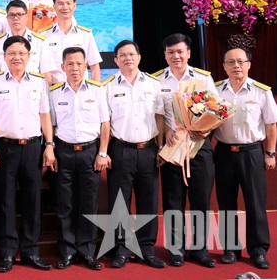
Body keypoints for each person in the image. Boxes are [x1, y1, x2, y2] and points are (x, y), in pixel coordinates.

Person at [0, 35, 55, 272]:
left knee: (33, 201)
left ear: (29, 56)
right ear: (4, 57)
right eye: (11, 53)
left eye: (22, 53)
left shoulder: (39, 82)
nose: (17, 57)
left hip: (33, 147)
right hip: (4, 148)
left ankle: (31, 251)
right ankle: (8, 253)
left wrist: (49, 145)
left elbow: (45, 116)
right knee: (6, 202)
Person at [154, 33, 218, 267]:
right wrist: (165, 136)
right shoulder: (157, 80)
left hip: (199, 146)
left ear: (188, 53)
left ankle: (200, 249)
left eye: (180, 51)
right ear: (165, 55)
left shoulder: (203, 78)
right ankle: (176, 249)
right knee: (173, 200)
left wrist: (206, 129)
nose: (176, 56)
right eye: (171, 52)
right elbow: (157, 114)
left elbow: (216, 109)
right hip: (172, 147)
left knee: (201, 199)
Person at [214, 45, 277, 270]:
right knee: (226, 202)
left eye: (240, 61)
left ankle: (258, 250)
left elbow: (271, 125)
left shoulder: (261, 91)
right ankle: (231, 249)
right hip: (224, 153)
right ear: (224, 66)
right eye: (230, 62)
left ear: (249, 64)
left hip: (251, 152)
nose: (236, 66)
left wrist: (270, 153)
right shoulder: (215, 91)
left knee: (255, 202)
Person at [104, 40, 166, 269]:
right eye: (122, 55)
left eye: (132, 54)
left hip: (148, 149)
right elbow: (105, 122)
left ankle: (146, 248)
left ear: (139, 57)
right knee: (119, 202)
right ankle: (121, 248)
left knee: (148, 201)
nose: (128, 58)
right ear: (116, 60)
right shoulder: (108, 87)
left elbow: (160, 117)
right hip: (121, 150)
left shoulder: (153, 84)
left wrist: (161, 147)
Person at [48, 47, 109, 270]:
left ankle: (87, 251)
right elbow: (51, 125)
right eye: (70, 64)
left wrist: (102, 152)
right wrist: (50, 149)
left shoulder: (97, 90)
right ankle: (67, 251)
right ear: (62, 67)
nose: (75, 68)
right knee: (64, 204)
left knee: (88, 203)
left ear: (86, 66)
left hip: (90, 153)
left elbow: (105, 123)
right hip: (63, 152)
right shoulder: (54, 93)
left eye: (79, 64)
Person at [41, 0, 103, 82]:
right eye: (60, 4)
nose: (65, 7)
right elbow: (43, 68)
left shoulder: (85, 34)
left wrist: (96, 89)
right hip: (54, 88)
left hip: (81, 88)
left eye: (68, 3)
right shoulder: (44, 35)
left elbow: (94, 66)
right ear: (54, 7)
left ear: (74, 6)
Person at [0, 0, 57, 84]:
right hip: (5, 89)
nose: (16, 18)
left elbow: (46, 74)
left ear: (27, 17)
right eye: (12, 15)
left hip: (33, 89)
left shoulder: (40, 42)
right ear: (7, 18)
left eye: (20, 14)